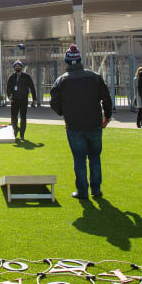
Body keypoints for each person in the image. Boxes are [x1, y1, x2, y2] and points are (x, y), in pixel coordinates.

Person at [50, 45, 113, 200]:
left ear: (66, 61)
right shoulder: (94, 77)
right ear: (80, 60)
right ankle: (96, 189)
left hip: (74, 125)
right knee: (95, 157)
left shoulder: (62, 80)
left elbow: (54, 102)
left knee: (79, 159)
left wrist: (63, 113)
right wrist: (107, 116)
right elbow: (106, 98)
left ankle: (82, 191)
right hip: (94, 123)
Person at [6, 60, 36, 141]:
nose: (17, 67)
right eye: (16, 66)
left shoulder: (27, 76)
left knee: (23, 117)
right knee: (13, 118)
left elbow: (32, 88)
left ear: (21, 67)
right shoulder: (11, 77)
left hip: (23, 99)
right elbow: (8, 88)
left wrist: (34, 99)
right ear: (14, 67)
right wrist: (9, 97)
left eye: (19, 66)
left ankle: (22, 134)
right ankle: (15, 130)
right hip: (14, 100)